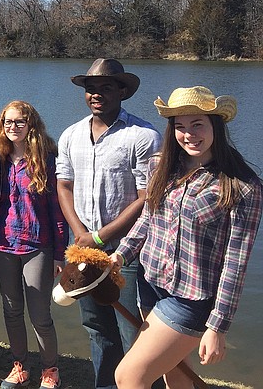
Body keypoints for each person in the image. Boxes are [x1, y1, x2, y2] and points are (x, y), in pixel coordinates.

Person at [110, 86, 262, 389]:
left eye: (197, 125)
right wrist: (120, 255)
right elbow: (148, 220)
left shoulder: (242, 186)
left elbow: (235, 264)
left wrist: (217, 327)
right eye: (180, 127)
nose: (189, 134)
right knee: (175, 375)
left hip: (192, 299)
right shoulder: (161, 165)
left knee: (128, 376)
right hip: (150, 283)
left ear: (215, 126)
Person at [56, 58, 161, 389]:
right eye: (90, 89)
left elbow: (147, 198)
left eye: (105, 88)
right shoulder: (71, 135)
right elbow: (64, 185)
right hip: (84, 249)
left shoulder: (143, 136)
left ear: (122, 91)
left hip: (128, 254)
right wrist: (79, 234)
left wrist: (100, 237)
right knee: (96, 327)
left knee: (134, 332)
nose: (96, 94)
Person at [0, 101, 67, 389]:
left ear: (31, 125)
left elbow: (56, 212)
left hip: (38, 246)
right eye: (7, 122)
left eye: (19, 122)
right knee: (11, 310)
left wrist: (60, 254)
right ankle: (19, 366)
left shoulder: (47, 160)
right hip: (3, 244)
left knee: (40, 315)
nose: (13, 127)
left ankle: (50, 369)